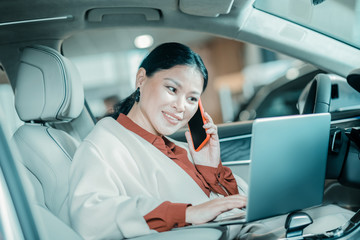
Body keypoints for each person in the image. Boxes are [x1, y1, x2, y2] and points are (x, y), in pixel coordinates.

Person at [68, 42, 353, 240]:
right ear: (141, 79)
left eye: (192, 98)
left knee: (335, 213)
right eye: (172, 89)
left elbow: (238, 205)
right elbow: (91, 216)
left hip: (240, 229)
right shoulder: (104, 142)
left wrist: (211, 169)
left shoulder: (175, 146)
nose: (182, 107)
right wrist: (189, 213)